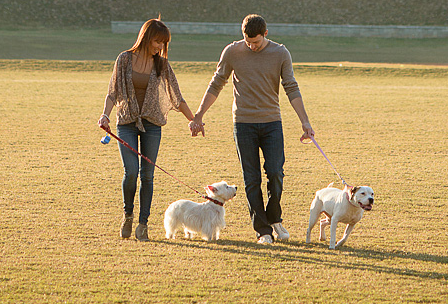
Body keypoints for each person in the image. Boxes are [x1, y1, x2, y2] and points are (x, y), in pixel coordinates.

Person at [189, 13, 315, 246]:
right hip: (243, 124)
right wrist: (199, 115)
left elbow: (291, 87)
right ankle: (262, 230)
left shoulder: (280, 53)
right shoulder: (232, 52)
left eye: (256, 42)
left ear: (265, 34)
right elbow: (216, 83)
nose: (251, 46)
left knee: (276, 172)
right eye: (248, 41)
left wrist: (305, 122)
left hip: (271, 123)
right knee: (251, 179)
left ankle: (274, 217)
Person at [98, 17, 197, 242]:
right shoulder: (124, 59)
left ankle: (143, 224)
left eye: (163, 43)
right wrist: (105, 114)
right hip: (127, 123)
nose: (160, 47)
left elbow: (177, 97)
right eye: (157, 41)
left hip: (152, 125)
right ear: (146, 37)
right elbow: (112, 92)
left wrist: (193, 120)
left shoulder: (161, 64)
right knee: (131, 172)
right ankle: (128, 215)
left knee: (148, 176)